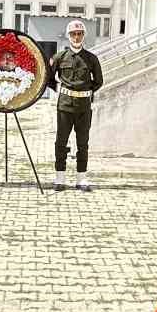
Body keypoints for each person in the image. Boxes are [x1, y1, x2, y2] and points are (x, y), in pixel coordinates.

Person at [47, 19, 104, 192]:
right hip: (65, 106)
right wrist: (62, 90)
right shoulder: (60, 57)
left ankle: (81, 179)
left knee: (83, 143)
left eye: (79, 34)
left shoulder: (91, 58)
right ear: (68, 36)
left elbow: (99, 81)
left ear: (83, 36)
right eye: (73, 34)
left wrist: (86, 91)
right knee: (61, 143)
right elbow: (49, 79)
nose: (76, 37)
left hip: (84, 108)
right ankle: (60, 178)